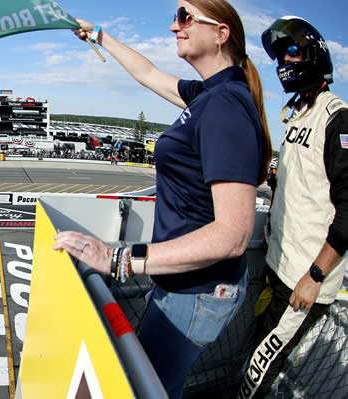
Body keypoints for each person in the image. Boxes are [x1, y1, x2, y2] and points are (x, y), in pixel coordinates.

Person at [52, 1, 272, 397]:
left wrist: (120, 260)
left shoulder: (226, 106)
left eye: (185, 17)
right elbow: (148, 73)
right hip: (182, 281)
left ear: (221, 33)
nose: (174, 27)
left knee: (152, 390)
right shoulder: (212, 94)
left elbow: (233, 235)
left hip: (196, 289)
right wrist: (99, 34)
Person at [237, 16, 348, 399]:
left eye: (293, 51)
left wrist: (315, 276)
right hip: (276, 266)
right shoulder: (298, 114)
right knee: (254, 348)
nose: (285, 60)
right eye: (280, 54)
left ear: (314, 54)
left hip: (305, 280)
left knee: (261, 366)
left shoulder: (338, 118)